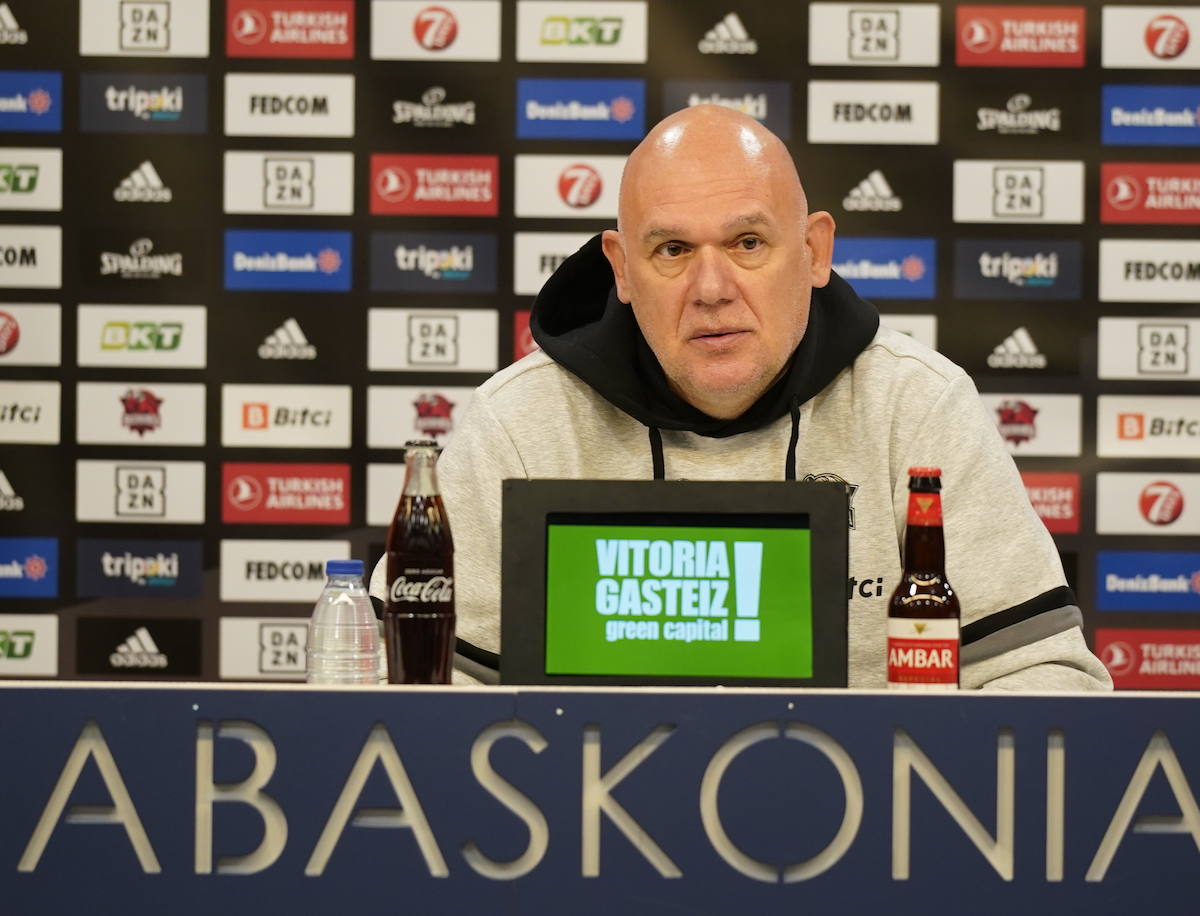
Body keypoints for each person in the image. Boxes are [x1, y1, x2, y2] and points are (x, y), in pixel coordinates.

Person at [375, 105, 1111, 690]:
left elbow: (1046, 677)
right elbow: (404, 682)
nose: (712, 289)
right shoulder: (522, 423)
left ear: (816, 251)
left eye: (748, 243)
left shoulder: (917, 408)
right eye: (672, 251)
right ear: (622, 269)